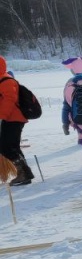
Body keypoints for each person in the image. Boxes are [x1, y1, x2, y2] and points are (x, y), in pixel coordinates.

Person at [0, 55, 34, 185]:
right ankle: (24, 174)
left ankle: (24, 173)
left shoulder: (6, 80)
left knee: (6, 147)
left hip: (13, 118)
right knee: (11, 146)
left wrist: (2, 115)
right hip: (9, 118)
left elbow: (10, 99)